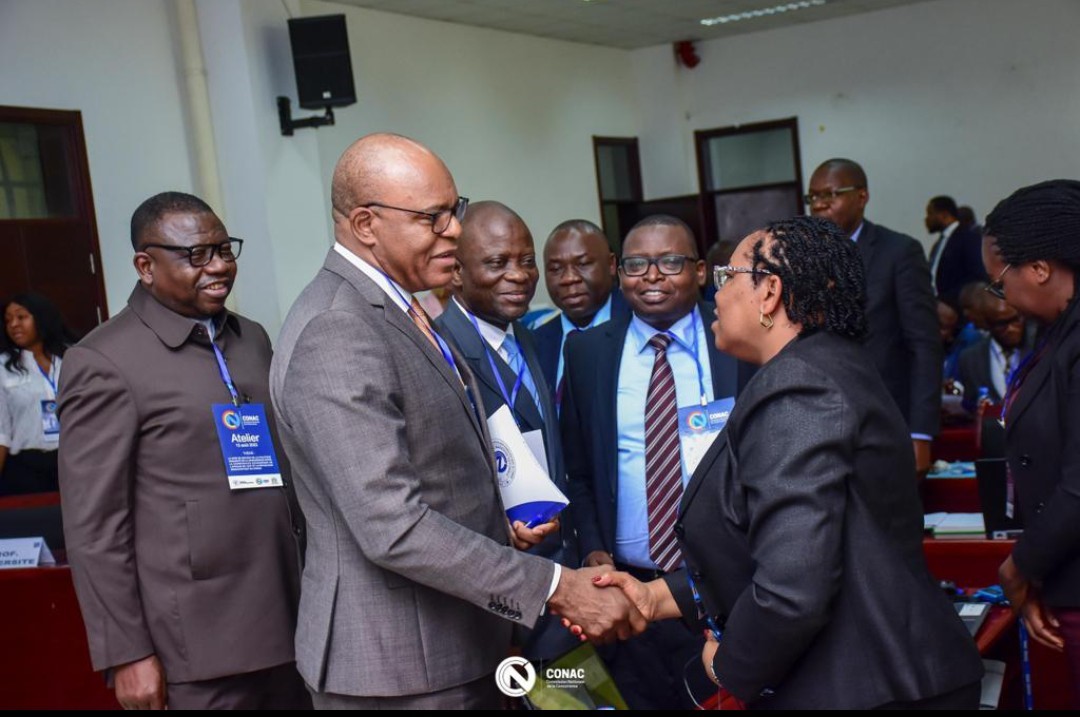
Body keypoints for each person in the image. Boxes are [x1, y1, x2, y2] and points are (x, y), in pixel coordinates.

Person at [269, 133, 641, 709]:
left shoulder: (402, 305)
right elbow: (391, 525)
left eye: (454, 209)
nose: (455, 230)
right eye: (432, 217)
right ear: (366, 224)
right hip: (401, 660)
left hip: (457, 642)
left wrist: (496, 519)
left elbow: (432, 467)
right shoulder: (338, 329)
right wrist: (553, 587)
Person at [589, 215, 984, 709]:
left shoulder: (800, 387)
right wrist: (654, 598)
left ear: (769, 293)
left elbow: (792, 587)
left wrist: (729, 664)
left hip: (867, 685)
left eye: (726, 277)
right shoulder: (818, 367)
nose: (717, 295)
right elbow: (785, 546)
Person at [57, 192, 309, 710]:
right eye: (196, 255)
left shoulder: (252, 339)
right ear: (145, 266)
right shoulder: (104, 360)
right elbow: (94, 526)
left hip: (294, 624)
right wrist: (126, 654)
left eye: (224, 249)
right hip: (195, 649)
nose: (218, 266)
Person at [561, 215, 749, 709]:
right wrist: (593, 546)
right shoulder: (586, 353)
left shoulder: (737, 344)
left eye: (670, 262)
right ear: (619, 272)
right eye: (637, 264)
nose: (652, 276)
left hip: (723, 581)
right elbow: (577, 470)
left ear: (702, 271)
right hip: (626, 587)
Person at [434, 200, 579, 661]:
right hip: (500, 586)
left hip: (558, 573)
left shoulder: (526, 335)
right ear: (455, 272)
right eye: (497, 263)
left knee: (573, 689)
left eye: (526, 260)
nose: (518, 275)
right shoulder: (438, 351)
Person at [984, 179, 1080, 708]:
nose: (1002, 299)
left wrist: (1021, 565)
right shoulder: (1058, 333)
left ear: (1040, 269)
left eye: (999, 284)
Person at [806, 158, 941, 476]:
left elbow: (924, 344)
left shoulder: (899, 252)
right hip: (819, 418)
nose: (821, 205)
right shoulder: (803, 257)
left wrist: (921, 432)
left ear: (862, 197)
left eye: (831, 194)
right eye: (813, 197)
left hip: (884, 417)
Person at [533, 219, 627, 409]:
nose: (569, 278)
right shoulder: (535, 342)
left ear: (611, 264)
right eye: (556, 269)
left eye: (583, 264)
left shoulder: (640, 324)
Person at [1, 293, 75, 495]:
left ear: (41, 318)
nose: (14, 324)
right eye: (8, 320)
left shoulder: (73, 358)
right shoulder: (3, 367)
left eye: (21, 317)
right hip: (26, 468)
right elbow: (2, 433)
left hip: (75, 460)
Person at [957, 295, 1027, 408]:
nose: (1011, 328)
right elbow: (970, 408)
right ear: (987, 324)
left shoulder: (1039, 349)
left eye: (1015, 320)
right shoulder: (970, 360)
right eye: (1002, 324)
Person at [925, 195, 988, 304]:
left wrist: (948, 301)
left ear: (944, 214)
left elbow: (976, 275)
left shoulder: (967, 237)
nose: (927, 219)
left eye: (930, 213)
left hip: (958, 309)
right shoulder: (940, 243)